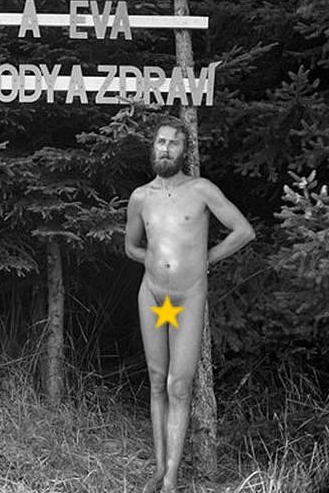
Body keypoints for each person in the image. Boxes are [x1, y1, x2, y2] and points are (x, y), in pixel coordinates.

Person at [124, 115, 255, 493]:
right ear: (153, 148)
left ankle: (171, 478)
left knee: (179, 386)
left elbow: (243, 231)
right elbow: (131, 246)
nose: (166, 148)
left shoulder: (201, 190)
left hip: (188, 296)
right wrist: (152, 261)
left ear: (185, 150)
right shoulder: (140, 197)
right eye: (160, 142)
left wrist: (204, 259)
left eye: (174, 143)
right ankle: (158, 469)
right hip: (152, 295)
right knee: (156, 381)